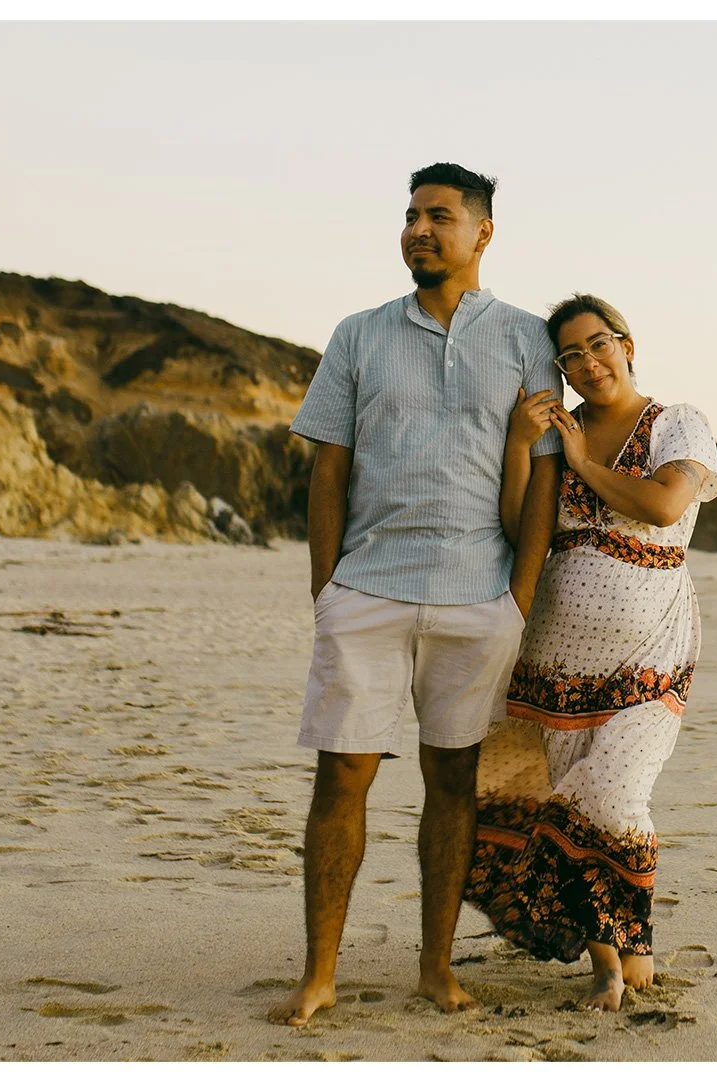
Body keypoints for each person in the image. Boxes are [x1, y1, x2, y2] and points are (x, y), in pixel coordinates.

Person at [267, 163, 564, 1025]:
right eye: (409, 216)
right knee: (341, 778)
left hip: (478, 596)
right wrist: (326, 589)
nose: (418, 230)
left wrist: (518, 594)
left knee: (455, 782)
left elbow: (544, 479)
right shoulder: (359, 334)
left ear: (483, 233)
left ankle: (437, 970)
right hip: (367, 590)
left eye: (439, 215)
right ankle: (319, 975)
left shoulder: (528, 338)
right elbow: (330, 467)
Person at [464, 293, 717, 1011]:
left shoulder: (677, 423)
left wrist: (580, 458)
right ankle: (616, 960)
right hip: (553, 658)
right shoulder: (559, 432)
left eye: (598, 344)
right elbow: (523, 530)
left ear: (626, 344)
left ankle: (624, 952)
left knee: (613, 794)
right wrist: (522, 445)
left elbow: (664, 505)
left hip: (651, 650)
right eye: (570, 355)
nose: (587, 363)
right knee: (555, 799)